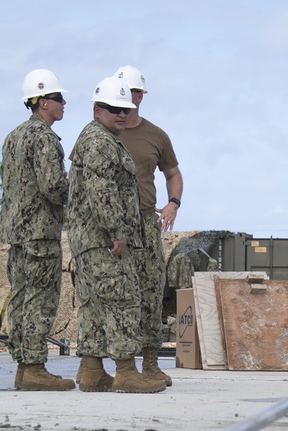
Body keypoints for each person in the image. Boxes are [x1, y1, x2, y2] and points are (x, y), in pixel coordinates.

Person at [67, 76, 167, 394]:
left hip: (92, 239)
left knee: (95, 305)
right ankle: (125, 371)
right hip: (103, 240)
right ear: (97, 110)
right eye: (113, 109)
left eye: (125, 109)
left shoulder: (103, 138)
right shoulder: (98, 141)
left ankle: (93, 371)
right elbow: (102, 191)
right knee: (122, 300)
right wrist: (118, 232)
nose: (121, 115)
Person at [0, 69, 74, 391]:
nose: (63, 103)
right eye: (58, 98)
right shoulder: (44, 138)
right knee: (40, 301)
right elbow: (53, 189)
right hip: (39, 232)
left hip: (15, 232)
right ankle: (34, 368)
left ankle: (23, 366)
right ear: (42, 101)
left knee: (20, 298)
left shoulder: (13, 136)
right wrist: (77, 187)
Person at [114, 65, 184, 387]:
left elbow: (173, 173)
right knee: (116, 294)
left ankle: (151, 364)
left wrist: (173, 203)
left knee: (152, 293)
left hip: (145, 222)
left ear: (142, 96)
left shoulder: (157, 135)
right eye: (127, 91)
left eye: (137, 92)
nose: (132, 97)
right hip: (112, 224)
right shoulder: (99, 133)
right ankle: (118, 366)